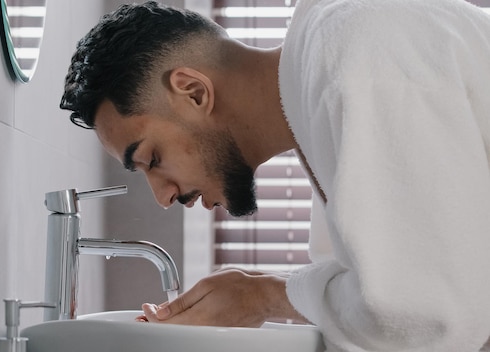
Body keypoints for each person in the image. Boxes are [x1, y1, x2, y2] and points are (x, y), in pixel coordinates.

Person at [60, 0, 490, 350]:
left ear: (194, 92)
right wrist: (259, 293)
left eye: (152, 159)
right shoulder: (325, 83)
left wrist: (264, 296)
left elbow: (429, 316)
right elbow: (395, 291)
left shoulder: (356, 55)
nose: (163, 197)